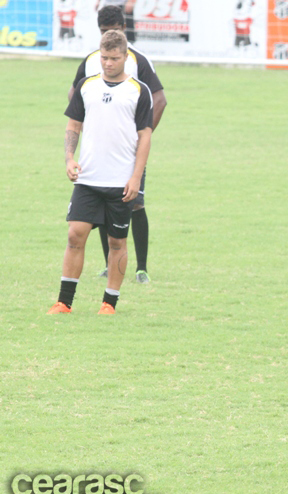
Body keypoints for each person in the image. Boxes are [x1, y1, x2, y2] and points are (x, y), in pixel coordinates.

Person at [48, 29, 153, 315]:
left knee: (117, 242)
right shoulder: (86, 86)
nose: (108, 63)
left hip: (121, 181)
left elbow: (145, 137)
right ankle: (64, 302)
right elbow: (73, 126)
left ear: (125, 56)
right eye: (104, 57)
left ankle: (109, 303)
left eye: (114, 58)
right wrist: (69, 159)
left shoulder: (139, 92)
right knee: (75, 234)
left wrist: (135, 177)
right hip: (89, 179)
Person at [70, 5, 166, 283]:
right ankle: (108, 265)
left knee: (134, 203)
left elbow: (159, 100)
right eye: (103, 32)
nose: (108, 35)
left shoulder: (138, 61)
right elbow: (74, 94)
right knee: (103, 205)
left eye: (113, 30)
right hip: (99, 150)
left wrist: (141, 136)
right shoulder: (91, 60)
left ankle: (142, 268)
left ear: (124, 28)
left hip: (130, 150)